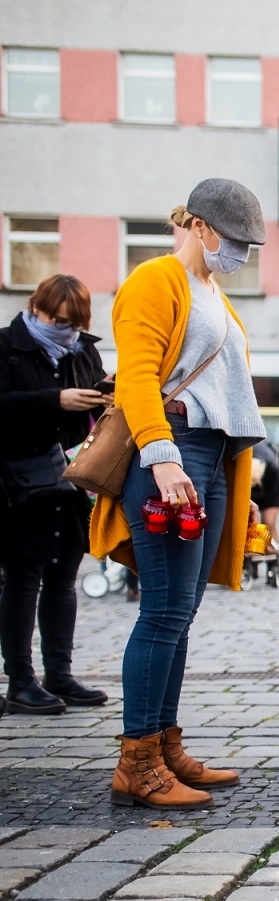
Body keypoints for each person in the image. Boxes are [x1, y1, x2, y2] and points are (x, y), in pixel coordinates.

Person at [89, 180, 269, 808]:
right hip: (172, 446)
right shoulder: (155, 278)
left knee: (180, 612)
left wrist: (237, 489)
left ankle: (164, 746)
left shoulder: (212, 293)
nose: (241, 254)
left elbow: (227, 397)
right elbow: (136, 374)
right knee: (163, 610)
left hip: (210, 456)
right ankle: (135, 760)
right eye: (236, 240)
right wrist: (161, 456)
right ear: (201, 227)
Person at [0, 274, 109, 714]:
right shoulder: (6, 346)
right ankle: (20, 681)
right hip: (20, 483)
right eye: (57, 319)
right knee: (23, 578)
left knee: (64, 579)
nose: (66, 329)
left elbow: (95, 404)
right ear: (36, 307)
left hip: (71, 481)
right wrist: (54, 399)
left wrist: (105, 397)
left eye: (74, 323)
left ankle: (59, 674)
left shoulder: (83, 349)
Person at [249, 441, 279, 550]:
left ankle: (273, 556)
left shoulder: (273, 468)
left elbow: (272, 495)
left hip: (274, 485)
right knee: (251, 522)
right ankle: (251, 554)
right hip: (250, 481)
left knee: (269, 522)